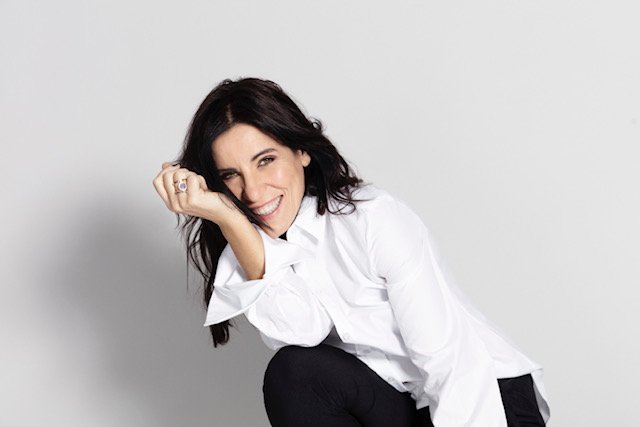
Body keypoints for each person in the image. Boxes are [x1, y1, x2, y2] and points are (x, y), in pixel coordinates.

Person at [152, 77, 550, 426]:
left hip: (484, 398)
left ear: (302, 151)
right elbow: (301, 333)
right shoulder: (257, 247)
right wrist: (230, 220)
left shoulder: (372, 218)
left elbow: (450, 361)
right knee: (295, 373)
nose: (253, 192)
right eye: (231, 175)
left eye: (266, 161)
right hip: (406, 404)